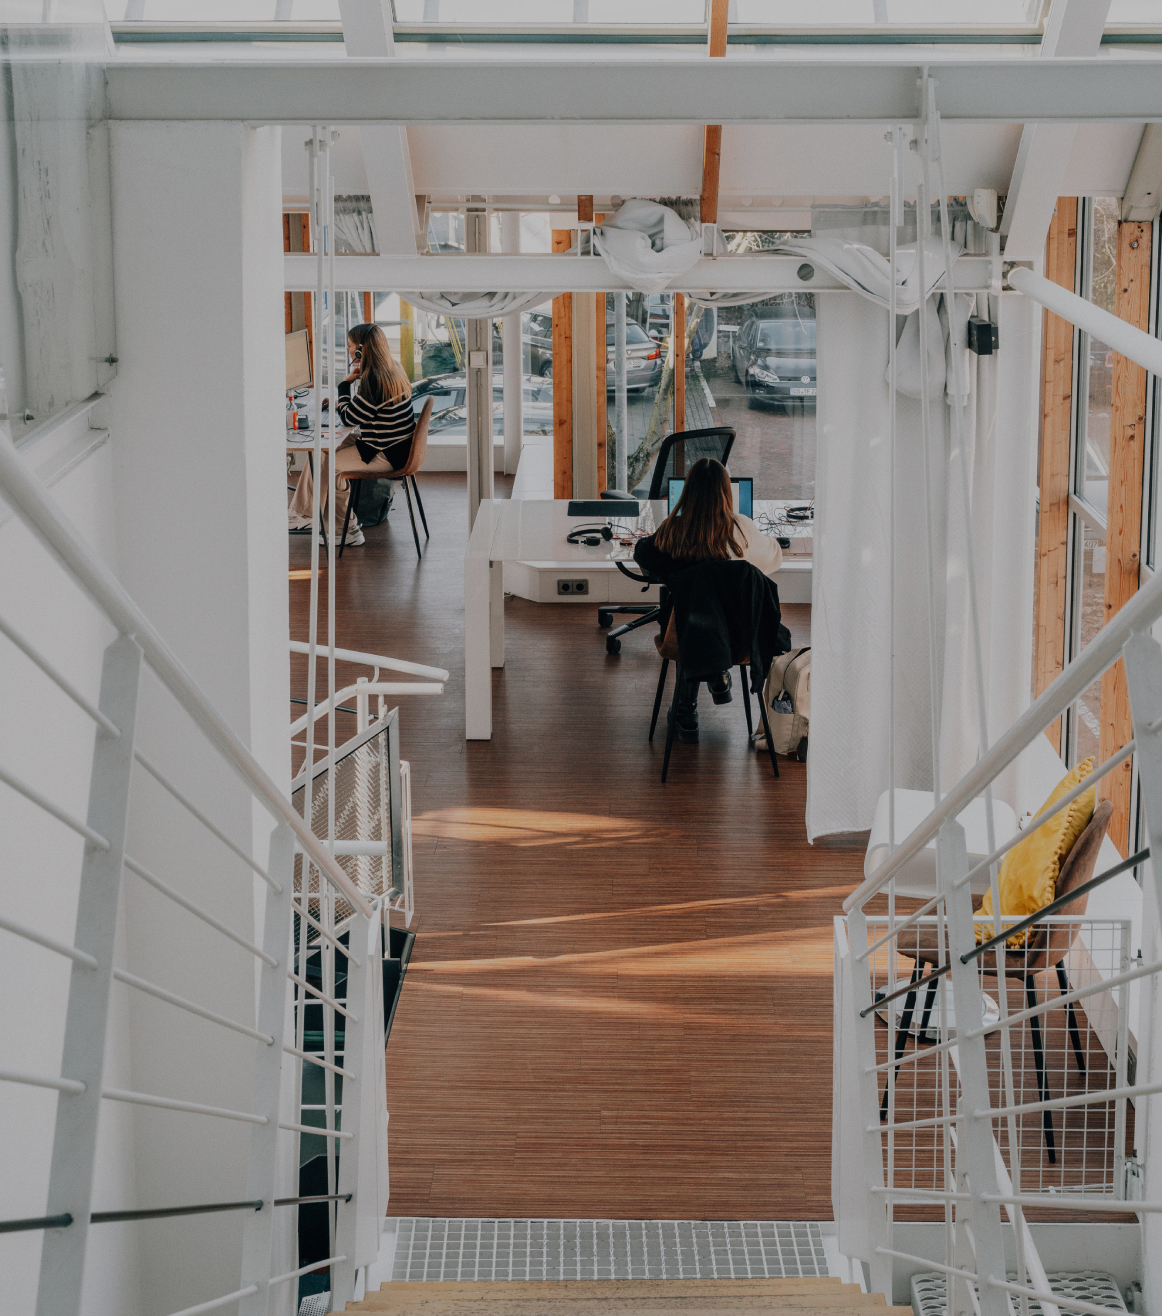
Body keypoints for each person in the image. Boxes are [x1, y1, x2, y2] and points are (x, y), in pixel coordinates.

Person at [634, 457, 783, 743]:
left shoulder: (671, 531)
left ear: (687, 490)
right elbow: (774, 557)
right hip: (738, 639)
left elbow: (643, 553)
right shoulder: (742, 529)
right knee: (704, 618)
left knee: (689, 616)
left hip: (684, 636)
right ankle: (717, 674)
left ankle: (686, 713)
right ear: (727, 493)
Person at [289, 323, 416, 547]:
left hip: (384, 453)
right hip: (391, 445)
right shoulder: (393, 368)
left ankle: (338, 527)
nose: (347, 350)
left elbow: (350, 418)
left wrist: (344, 385)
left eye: (349, 346)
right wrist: (342, 403)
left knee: (328, 464)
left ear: (360, 350)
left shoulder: (374, 379)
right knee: (323, 449)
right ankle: (308, 515)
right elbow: (359, 411)